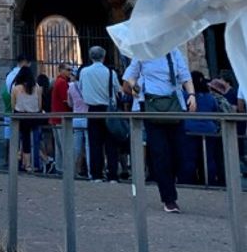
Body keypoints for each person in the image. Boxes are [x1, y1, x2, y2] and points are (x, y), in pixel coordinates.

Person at [123, 47, 196, 213]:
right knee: (160, 153)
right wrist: (136, 90)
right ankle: (169, 198)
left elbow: (185, 75)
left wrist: (191, 94)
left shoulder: (174, 52)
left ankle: (171, 181)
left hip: (174, 106)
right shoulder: (142, 52)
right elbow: (129, 77)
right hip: (152, 106)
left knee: (180, 153)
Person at [78, 46, 120, 183]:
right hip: (108, 110)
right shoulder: (110, 72)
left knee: (94, 143)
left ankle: (96, 174)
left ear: (90, 57)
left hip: (92, 110)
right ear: (104, 56)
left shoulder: (84, 72)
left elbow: (81, 88)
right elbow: (117, 90)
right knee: (111, 144)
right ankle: (113, 174)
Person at [180, 71, 222, 185]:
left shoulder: (185, 96)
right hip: (209, 130)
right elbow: (215, 111)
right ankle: (210, 181)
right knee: (208, 159)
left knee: (189, 159)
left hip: (189, 129)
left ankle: (188, 183)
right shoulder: (210, 97)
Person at [11, 68, 41, 172]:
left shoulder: (16, 88)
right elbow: (40, 105)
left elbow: (13, 105)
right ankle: (30, 163)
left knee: (23, 139)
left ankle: (23, 160)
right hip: (34, 116)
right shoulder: (37, 87)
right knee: (33, 140)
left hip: (20, 116)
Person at [49, 63, 72, 176]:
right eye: (68, 69)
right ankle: (65, 167)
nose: (70, 72)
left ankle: (59, 167)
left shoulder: (57, 82)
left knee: (58, 145)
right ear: (61, 70)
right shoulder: (62, 83)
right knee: (64, 144)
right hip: (61, 117)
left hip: (55, 117)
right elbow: (66, 100)